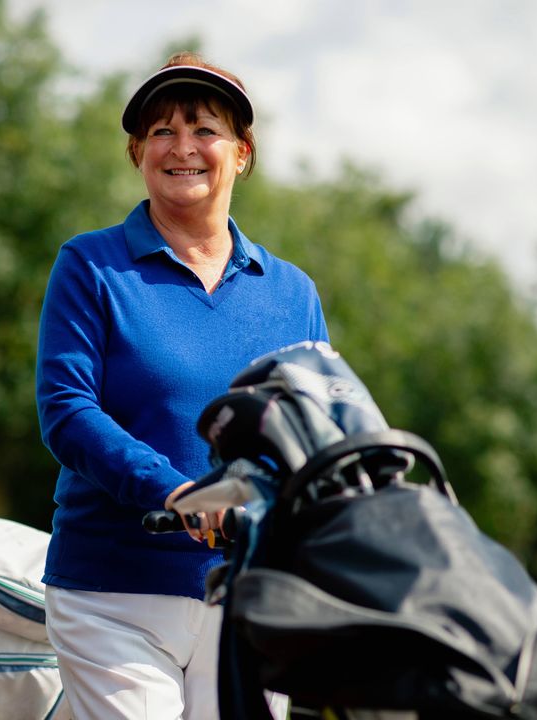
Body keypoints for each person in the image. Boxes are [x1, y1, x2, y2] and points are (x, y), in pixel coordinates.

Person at [36, 51, 328, 719]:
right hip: (115, 592)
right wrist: (177, 491)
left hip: (253, 593)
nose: (183, 147)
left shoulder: (291, 292)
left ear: (243, 152)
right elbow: (67, 411)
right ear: (138, 152)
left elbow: (316, 428)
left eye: (205, 128)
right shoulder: (91, 265)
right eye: (162, 131)